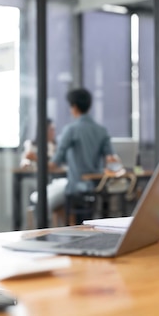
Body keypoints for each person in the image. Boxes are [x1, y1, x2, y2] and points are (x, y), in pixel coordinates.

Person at [49, 88, 120, 224]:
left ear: (74, 107)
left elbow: (55, 162)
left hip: (75, 187)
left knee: (45, 199)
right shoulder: (101, 130)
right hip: (97, 187)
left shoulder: (71, 130)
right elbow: (112, 160)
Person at [20, 118, 68, 226]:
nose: (53, 133)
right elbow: (25, 160)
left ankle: (48, 224)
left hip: (54, 181)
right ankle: (40, 225)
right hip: (35, 180)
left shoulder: (55, 146)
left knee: (58, 198)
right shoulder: (31, 144)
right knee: (41, 196)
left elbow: (55, 165)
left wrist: (37, 158)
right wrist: (27, 161)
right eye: (51, 129)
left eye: (54, 130)